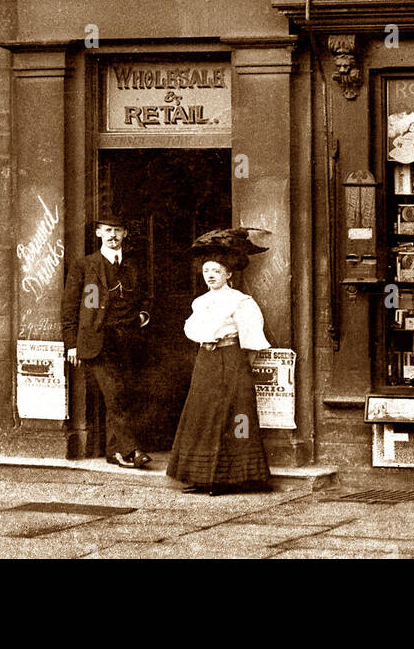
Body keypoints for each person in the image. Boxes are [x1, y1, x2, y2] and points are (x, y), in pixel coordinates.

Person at [167, 228, 272, 495]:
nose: (210, 275)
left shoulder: (241, 301)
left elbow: (251, 340)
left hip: (231, 360)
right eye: (206, 271)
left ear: (228, 274)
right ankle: (201, 476)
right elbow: (193, 330)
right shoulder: (200, 302)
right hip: (206, 361)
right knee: (202, 414)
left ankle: (232, 478)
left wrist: (239, 369)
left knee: (233, 416)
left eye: (216, 270)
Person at [61, 211, 151, 469]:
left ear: (125, 234)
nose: (113, 235)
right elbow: (69, 306)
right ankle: (132, 450)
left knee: (124, 396)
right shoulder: (84, 265)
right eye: (107, 230)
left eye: (117, 230)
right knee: (115, 394)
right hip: (97, 342)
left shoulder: (134, 265)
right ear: (98, 233)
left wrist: (144, 314)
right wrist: (72, 344)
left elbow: (146, 296)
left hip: (128, 341)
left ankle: (116, 452)